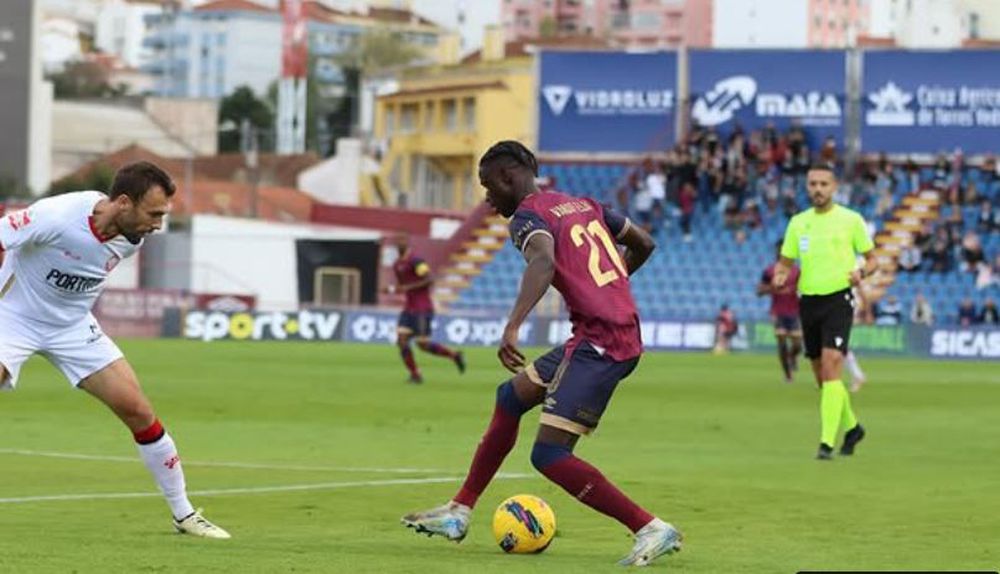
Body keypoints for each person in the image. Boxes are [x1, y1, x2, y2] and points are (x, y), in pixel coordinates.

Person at [400, 141, 680, 566]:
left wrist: (513, 325)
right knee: (510, 397)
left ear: (509, 177)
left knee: (549, 455)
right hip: (602, 332)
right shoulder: (584, 204)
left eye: (488, 186)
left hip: (601, 343)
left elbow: (544, 261)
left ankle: (650, 527)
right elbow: (644, 243)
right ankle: (459, 512)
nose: (488, 198)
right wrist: (610, 287)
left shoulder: (529, 218)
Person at [0, 162, 229, 538]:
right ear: (123, 202)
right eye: (154, 213)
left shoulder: (130, 237)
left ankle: (185, 514)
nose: (158, 224)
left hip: (73, 327)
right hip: (13, 317)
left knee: (138, 410)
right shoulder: (56, 216)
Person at [773, 164, 877, 460]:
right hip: (809, 302)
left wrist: (861, 272)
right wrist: (780, 276)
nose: (818, 189)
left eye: (823, 184)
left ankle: (826, 444)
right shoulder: (798, 223)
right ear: (807, 187)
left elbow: (873, 261)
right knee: (823, 378)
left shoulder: (851, 220)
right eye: (813, 184)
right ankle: (853, 427)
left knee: (833, 366)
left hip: (839, 299)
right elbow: (785, 262)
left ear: (834, 187)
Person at [383, 234, 464, 384]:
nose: (400, 244)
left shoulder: (416, 261)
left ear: (407, 243)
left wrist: (407, 287)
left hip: (422, 308)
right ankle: (415, 374)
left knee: (423, 345)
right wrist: (391, 289)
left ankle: (454, 355)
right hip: (409, 308)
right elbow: (403, 286)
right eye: (397, 242)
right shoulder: (397, 265)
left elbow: (429, 280)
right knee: (401, 341)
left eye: (402, 241)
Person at [757, 241, 802, 383]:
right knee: (781, 340)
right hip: (778, 311)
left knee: (797, 344)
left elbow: (804, 289)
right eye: (779, 250)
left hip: (794, 311)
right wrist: (773, 288)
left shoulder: (797, 271)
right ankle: (788, 375)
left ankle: (792, 356)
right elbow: (759, 291)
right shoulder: (769, 271)